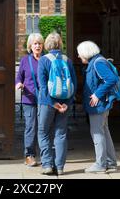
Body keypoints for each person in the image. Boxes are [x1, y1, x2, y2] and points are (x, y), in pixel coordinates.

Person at [38, 32, 77, 175]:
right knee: (60, 134)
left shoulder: (44, 60)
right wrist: (66, 103)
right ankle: (60, 167)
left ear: (47, 44)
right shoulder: (68, 60)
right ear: (60, 44)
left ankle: (47, 165)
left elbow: (42, 86)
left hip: (47, 103)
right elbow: (74, 83)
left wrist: (52, 103)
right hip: (64, 103)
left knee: (43, 132)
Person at [77, 40, 118, 173]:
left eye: (80, 53)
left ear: (86, 53)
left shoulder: (98, 63)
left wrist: (97, 94)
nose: (78, 56)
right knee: (104, 132)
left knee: (97, 133)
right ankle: (111, 162)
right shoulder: (97, 61)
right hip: (101, 105)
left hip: (99, 105)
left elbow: (111, 79)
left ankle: (100, 164)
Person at [15, 33, 44, 167]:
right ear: (30, 46)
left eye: (39, 43)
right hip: (29, 99)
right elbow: (19, 77)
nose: (37, 46)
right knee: (31, 127)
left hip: (45, 100)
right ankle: (29, 155)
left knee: (44, 128)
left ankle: (46, 155)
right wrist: (18, 84)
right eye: (35, 43)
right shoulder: (25, 60)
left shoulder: (46, 60)